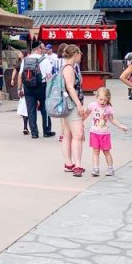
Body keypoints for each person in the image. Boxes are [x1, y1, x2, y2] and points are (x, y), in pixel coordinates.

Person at [55, 44, 87, 176]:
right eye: (80, 54)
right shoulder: (69, 68)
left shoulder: (66, 67)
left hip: (66, 104)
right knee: (78, 135)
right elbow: (70, 87)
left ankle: (68, 163)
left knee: (67, 134)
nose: (81, 56)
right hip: (71, 105)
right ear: (76, 54)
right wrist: (79, 105)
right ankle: (77, 165)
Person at [86, 87, 128, 177]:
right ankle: (96, 168)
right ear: (96, 97)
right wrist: (79, 122)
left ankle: (110, 168)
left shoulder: (109, 108)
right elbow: (86, 114)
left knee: (106, 151)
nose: (102, 102)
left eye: (105, 100)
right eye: (100, 99)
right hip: (94, 132)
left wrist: (121, 126)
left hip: (105, 133)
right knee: (95, 151)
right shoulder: (92, 105)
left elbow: (112, 120)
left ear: (108, 100)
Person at [17, 42, 54, 138]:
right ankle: (46, 130)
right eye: (43, 48)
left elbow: (20, 75)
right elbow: (49, 75)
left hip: (28, 87)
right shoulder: (45, 60)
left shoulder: (25, 60)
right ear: (38, 48)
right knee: (44, 109)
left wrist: (19, 89)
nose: (44, 50)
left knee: (31, 109)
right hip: (42, 86)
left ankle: (34, 132)